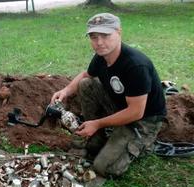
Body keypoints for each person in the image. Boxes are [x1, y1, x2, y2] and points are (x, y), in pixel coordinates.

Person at [51, 13, 166, 177]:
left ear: (119, 32)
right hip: (121, 106)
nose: (99, 42)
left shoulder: (135, 65)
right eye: (93, 37)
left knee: (103, 167)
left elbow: (136, 112)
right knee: (86, 85)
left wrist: (97, 123)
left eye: (105, 35)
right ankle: (97, 138)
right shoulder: (101, 56)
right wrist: (65, 91)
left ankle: (144, 144)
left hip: (143, 120)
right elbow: (86, 75)